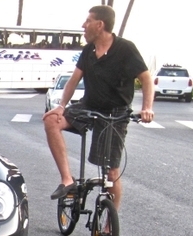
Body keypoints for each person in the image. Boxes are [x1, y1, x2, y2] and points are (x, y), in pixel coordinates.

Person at [42, 5, 154, 210]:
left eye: (87, 21)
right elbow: (74, 80)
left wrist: (147, 108)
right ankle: (67, 180)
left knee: (111, 173)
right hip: (88, 106)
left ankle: (110, 223)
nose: (83, 26)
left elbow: (146, 79)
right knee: (51, 120)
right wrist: (61, 106)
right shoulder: (88, 50)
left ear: (100, 25)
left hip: (115, 113)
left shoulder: (125, 49)